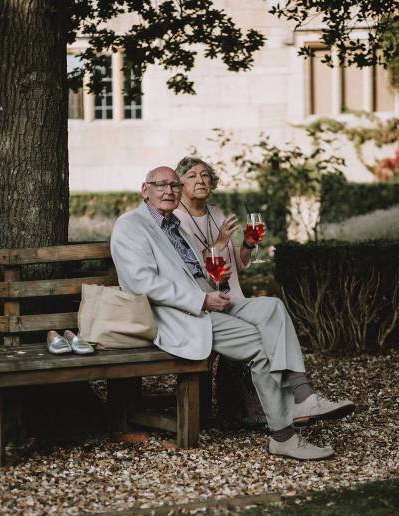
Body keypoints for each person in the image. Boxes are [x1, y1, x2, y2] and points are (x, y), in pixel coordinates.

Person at [110, 165, 355, 460]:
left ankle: (304, 397)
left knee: (272, 307)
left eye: (174, 185)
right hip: (176, 315)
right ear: (144, 189)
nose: (169, 191)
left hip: (208, 302)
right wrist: (202, 300)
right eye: (160, 185)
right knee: (259, 343)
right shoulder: (131, 225)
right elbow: (142, 283)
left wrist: (217, 281)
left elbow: (196, 272)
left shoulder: (173, 224)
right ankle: (284, 436)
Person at [174, 156, 266, 427]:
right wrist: (221, 240)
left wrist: (248, 244)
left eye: (205, 175)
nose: (200, 180)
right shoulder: (175, 219)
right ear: (180, 184)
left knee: (254, 337)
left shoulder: (216, 213)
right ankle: (232, 412)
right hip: (202, 300)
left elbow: (236, 264)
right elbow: (189, 263)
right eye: (191, 175)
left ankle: (239, 410)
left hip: (231, 294)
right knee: (240, 341)